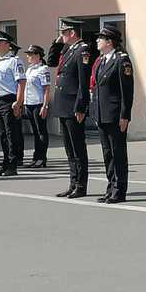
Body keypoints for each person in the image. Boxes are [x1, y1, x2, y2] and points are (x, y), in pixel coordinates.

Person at [90, 26, 134, 203]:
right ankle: (110, 186)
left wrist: (125, 115)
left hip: (115, 115)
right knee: (107, 153)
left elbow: (127, 91)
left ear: (109, 42)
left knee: (118, 153)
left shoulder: (121, 61)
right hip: (102, 113)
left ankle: (119, 190)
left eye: (100, 38)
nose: (97, 41)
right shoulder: (101, 61)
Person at [51, 19, 92, 198]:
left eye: (64, 32)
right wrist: (56, 43)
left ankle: (81, 185)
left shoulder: (83, 50)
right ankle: (73, 182)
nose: (62, 35)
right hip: (63, 105)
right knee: (69, 148)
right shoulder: (68, 49)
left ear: (72, 33)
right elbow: (51, 61)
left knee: (77, 147)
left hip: (73, 105)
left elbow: (83, 82)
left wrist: (81, 106)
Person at [0, 29, 26, 177]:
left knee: (12, 134)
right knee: (2, 134)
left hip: (9, 100)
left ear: (7, 44)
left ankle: (12, 165)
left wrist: (18, 101)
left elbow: (21, 82)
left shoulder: (14, 61)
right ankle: (5, 163)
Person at [23, 44, 51, 168]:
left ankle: (42, 158)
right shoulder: (29, 69)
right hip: (29, 103)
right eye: (28, 54)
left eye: (30, 54)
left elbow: (46, 89)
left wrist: (45, 106)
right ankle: (36, 157)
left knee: (41, 131)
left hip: (38, 103)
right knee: (35, 131)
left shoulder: (43, 69)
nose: (28, 56)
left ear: (38, 56)